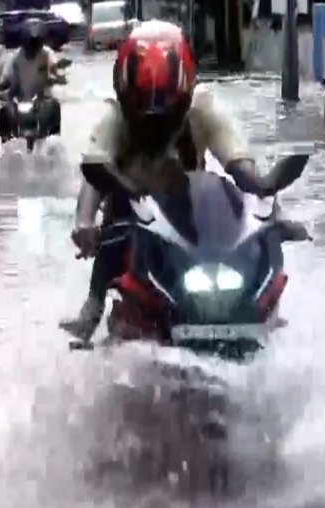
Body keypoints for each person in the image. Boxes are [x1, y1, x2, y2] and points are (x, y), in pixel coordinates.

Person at [60, 19, 303, 343]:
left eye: (166, 115)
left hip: (191, 224)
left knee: (255, 237)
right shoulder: (115, 118)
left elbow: (240, 165)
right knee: (114, 231)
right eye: (144, 114)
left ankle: (265, 312)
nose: (155, 125)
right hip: (136, 224)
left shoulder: (202, 110)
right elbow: (94, 171)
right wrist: (84, 223)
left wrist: (271, 201)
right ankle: (91, 310)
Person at [0, 18, 64, 143]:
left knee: (54, 106)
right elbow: (6, 77)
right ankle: (6, 143)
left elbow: (53, 65)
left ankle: (53, 143)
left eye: (36, 42)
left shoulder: (47, 54)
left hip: (42, 99)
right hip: (20, 100)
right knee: (4, 111)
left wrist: (54, 76)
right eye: (30, 42)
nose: (33, 45)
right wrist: (1, 85)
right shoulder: (15, 58)